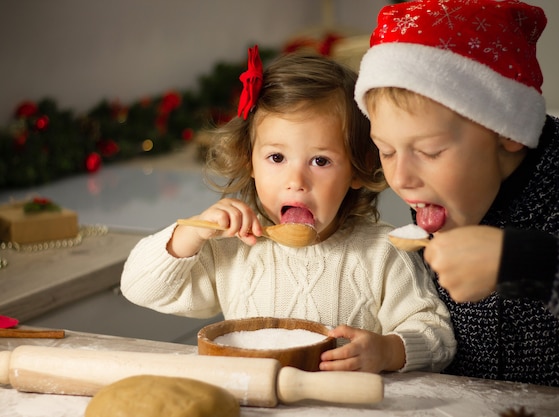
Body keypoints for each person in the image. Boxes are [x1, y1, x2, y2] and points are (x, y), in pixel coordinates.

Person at [121, 46, 456, 374]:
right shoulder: (231, 247)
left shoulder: (382, 253)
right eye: (277, 158)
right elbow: (137, 286)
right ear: (249, 159)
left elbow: (437, 335)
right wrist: (190, 234)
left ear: (357, 169)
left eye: (320, 161)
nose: (296, 181)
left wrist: (387, 351)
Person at [354, 0, 559, 393]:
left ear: (507, 130)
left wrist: (525, 261)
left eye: (430, 152)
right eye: (387, 150)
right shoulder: (433, 218)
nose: (401, 178)